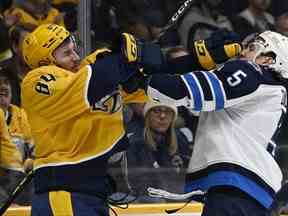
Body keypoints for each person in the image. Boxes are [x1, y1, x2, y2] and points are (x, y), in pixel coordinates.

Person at [20, 23, 241, 215]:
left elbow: (156, 77)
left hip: (92, 192)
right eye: (66, 53)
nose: (75, 57)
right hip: (63, 192)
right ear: (46, 61)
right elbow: (93, 83)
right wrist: (123, 59)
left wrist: (199, 59)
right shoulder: (37, 81)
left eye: (74, 49)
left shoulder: (92, 70)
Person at [135, 30, 288, 215]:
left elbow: (180, 91)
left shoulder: (253, 73)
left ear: (268, 60)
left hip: (237, 190)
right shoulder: (270, 91)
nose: (242, 51)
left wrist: (136, 79)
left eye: (252, 47)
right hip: (253, 194)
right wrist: (202, 61)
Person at [126, 101, 191, 203]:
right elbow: (136, 182)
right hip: (145, 199)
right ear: (147, 116)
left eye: (168, 111)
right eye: (156, 111)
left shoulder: (180, 139)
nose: (162, 116)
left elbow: (187, 174)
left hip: (174, 197)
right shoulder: (135, 142)